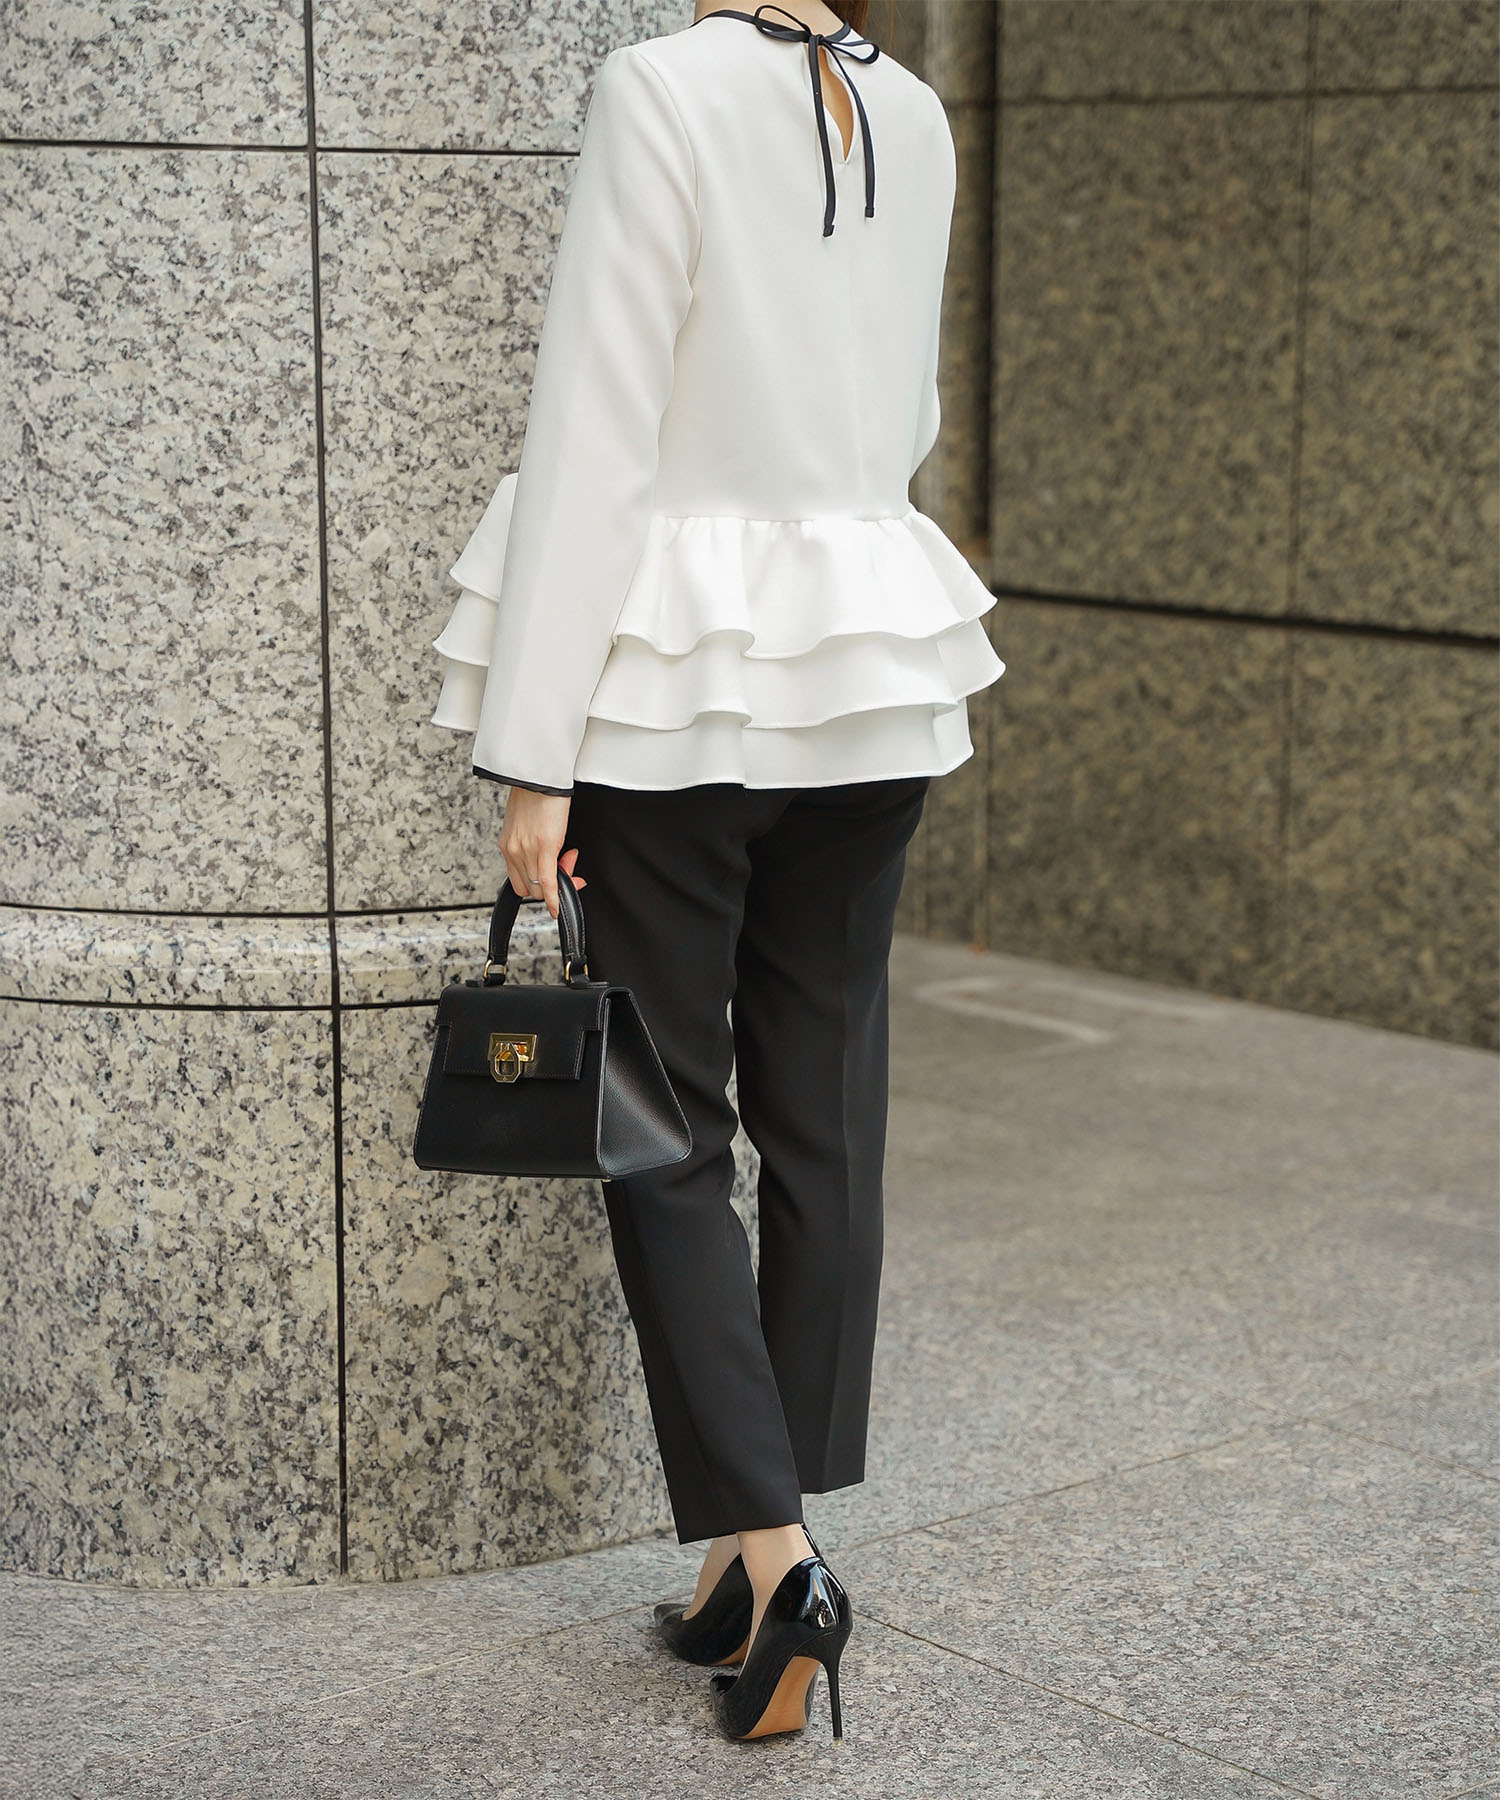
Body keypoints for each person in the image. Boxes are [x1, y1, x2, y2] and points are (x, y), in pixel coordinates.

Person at [428, 0, 1005, 1743]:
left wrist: (533, 748)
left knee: (665, 1128)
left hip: (680, 683)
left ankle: (782, 1553)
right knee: (824, 1119)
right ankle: (747, 1562)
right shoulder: (916, 110)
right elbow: (902, 408)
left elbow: (599, 425)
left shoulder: (658, 88)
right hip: (870, 660)